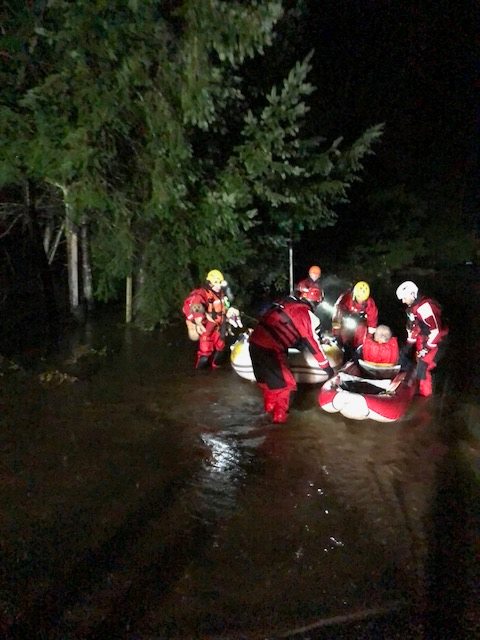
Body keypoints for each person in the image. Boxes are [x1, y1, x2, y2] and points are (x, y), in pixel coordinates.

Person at [249, 287, 334, 424]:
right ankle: (279, 425)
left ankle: (267, 414)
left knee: (269, 386)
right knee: (286, 388)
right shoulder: (305, 314)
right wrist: (327, 368)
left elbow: (282, 326)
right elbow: (313, 344)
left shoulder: (285, 303)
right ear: (316, 303)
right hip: (270, 348)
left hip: (254, 344)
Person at [396, 280, 448, 397]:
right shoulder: (411, 310)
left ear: (412, 295)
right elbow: (414, 328)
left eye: (404, 298)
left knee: (423, 367)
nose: (403, 301)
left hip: (437, 341)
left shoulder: (424, 307)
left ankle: (425, 398)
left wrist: (427, 348)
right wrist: (408, 346)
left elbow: (436, 331)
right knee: (419, 363)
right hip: (424, 339)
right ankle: (421, 389)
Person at [183, 269, 241, 369]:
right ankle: (199, 375)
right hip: (208, 327)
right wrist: (199, 322)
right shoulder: (202, 293)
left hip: (220, 326)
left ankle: (215, 369)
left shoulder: (222, 293)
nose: (218, 286)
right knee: (205, 354)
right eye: (216, 283)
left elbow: (225, 307)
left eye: (220, 283)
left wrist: (231, 314)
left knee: (220, 348)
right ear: (209, 283)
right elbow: (196, 305)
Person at [331, 281, 378, 361]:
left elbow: (372, 320)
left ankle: (357, 355)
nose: (360, 301)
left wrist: (369, 337)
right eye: (359, 298)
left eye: (363, 299)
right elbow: (337, 314)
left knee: (360, 340)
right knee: (343, 339)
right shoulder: (346, 298)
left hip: (360, 323)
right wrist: (336, 333)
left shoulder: (370, 303)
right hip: (346, 321)